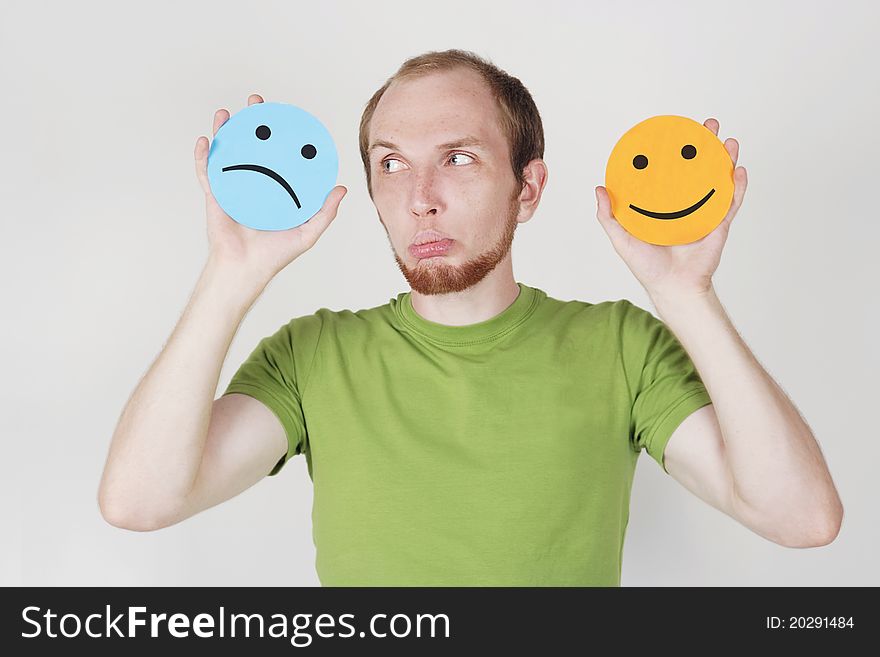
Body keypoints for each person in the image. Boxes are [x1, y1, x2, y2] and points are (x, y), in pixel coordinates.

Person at [98, 49, 843, 586]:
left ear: (528, 187)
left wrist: (687, 297)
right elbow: (138, 501)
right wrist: (229, 276)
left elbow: (802, 518)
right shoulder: (314, 354)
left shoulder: (620, 346)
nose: (420, 195)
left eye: (457, 158)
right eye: (391, 163)